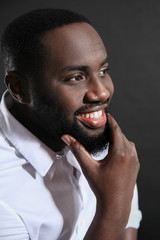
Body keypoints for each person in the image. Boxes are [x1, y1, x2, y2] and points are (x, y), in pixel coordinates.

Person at [0, 8, 142, 240]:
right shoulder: (4, 188)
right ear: (19, 89)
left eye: (103, 71)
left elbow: (129, 231)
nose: (102, 92)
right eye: (76, 77)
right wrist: (114, 208)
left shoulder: (102, 140)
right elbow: (119, 219)